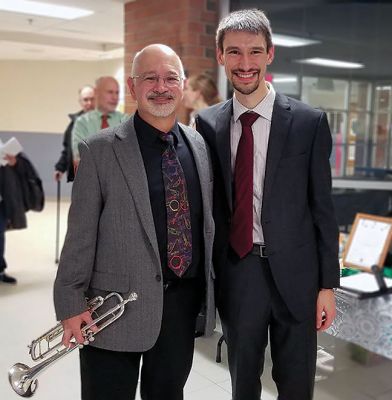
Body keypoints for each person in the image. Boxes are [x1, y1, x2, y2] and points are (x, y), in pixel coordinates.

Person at [53, 44, 215, 400]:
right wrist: (70, 303)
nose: (161, 86)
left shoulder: (199, 146)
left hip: (180, 307)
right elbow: (80, 235)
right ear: (133, 86)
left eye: (170, 77)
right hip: (112, 308)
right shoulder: (100, 150)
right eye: (150, 78)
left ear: (182, 83)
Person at [195, 9, 340, 400]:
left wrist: (327, 285)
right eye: (235, 53)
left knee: (296, 384)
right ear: (221, 55)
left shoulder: (308, 122)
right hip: (238, 273)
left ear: (270, 54)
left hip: (298, 276)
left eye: (255, 52)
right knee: (243, 383)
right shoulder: (206, 124)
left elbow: (322, 208)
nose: (246, 64)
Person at [71, 76, 127, 168]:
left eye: (117, 93)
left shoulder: (125, 120)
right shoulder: (83, 123)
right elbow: (80, 155)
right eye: (110, 92)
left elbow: (129, 155)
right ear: (97, 93)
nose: (115, 97)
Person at [54, 85, 95, 182]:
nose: (89, 103)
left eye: (92, 99)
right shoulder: (74, 125)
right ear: (80, 102)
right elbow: (67, 150)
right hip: (80, 176)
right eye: (85, 100)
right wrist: (60, 168)